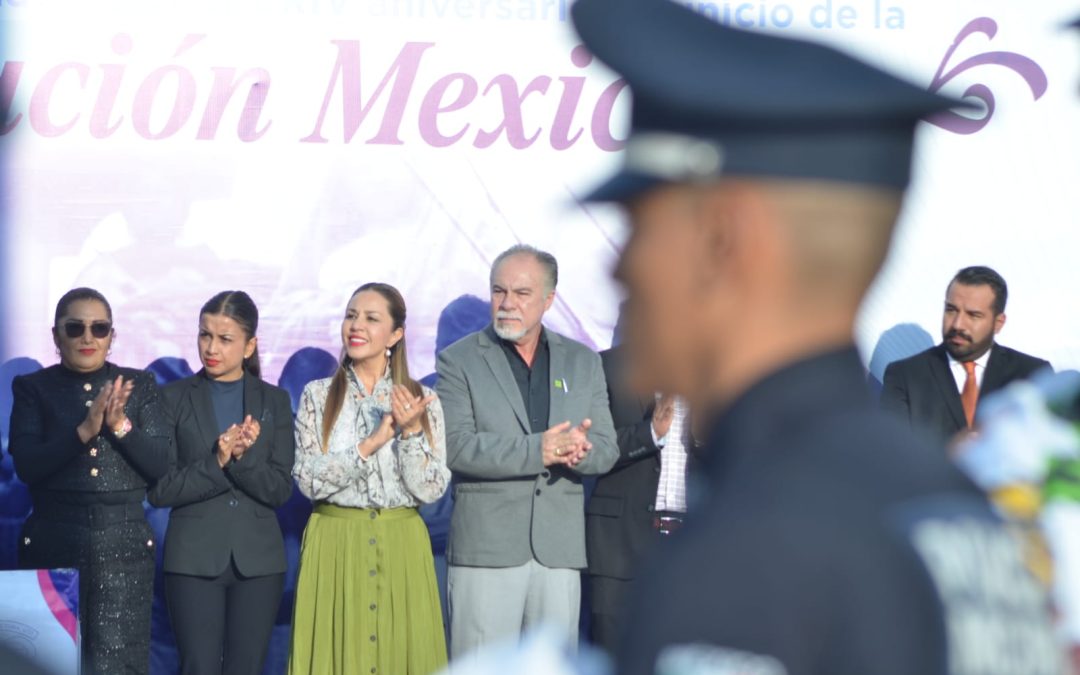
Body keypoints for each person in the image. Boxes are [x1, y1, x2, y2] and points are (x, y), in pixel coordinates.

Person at [570, 0, 1063, 673]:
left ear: (723, 238)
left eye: (640, 223)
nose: (618, 264)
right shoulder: (954, 505)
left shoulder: (750, 546)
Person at [435, 244, 618, 658]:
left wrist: (579, 452)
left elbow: (606, 448)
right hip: (486, 549)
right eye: (499, 292)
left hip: (559, 551)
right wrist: (542, 449)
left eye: (521, 293)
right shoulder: (459, 360)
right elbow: (457, 447)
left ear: (548, 300)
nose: (507, 304)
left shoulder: (583, 361)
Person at [289, 282, 449, 675]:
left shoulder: (422, 399)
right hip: (335, 543)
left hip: (401, 546)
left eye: (371, 318)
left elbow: (431, 488)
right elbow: (308, 481)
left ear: (395, 335)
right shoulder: (317, 395)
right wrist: (372, 442)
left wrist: (411, 433)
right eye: (351, 315)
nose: (356, 326)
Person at [8, 287, 170, 674]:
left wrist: (119, 425)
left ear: (112, 337)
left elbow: (160, 463)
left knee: (120, 663)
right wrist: (84, 430)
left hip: (125, 547)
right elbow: (28, 466)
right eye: (75, 327)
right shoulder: (34, 388)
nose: (87, 337)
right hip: (54, 540)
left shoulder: (140, 385)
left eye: (99, 328)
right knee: (52, 660)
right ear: (56, 335)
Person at [147, 291, 295, 675]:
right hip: (192, 560)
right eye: (204, 335)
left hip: (259, 563)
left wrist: (242, 460)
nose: (211, 348)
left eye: (225, 339)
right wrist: (218, 462)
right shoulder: (172, 398)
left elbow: (280, 490)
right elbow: (161, 490)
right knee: (198, 667)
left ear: (250, 346)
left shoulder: (274, 401)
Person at [585, 341, 689, 653]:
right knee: (612, 654)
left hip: (692, 539)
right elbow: (589, 446)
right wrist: (651, 432)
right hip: (618, 544)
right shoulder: (607, 366)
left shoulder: (714, 366)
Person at [881, 266, 1052, 445]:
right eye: (951, 310)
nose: (958, 324)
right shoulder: (904, 376)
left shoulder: (1034, 375)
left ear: (998, 323)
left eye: (973, 315)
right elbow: (892, 453)